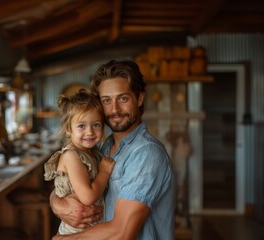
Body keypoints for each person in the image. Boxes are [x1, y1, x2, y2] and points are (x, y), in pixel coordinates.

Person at [50, 60, 175, 240]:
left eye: (123, 98)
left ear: (139, 99)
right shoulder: (102, 147)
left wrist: (63, 239)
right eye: (107, 100)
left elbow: (122, 232)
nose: (115, 109)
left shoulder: (146, 154)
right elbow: (72, 184)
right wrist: (57, 202)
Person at [44, 89, 115, 235]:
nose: (89, 132)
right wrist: (105, 172)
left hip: (91, 226)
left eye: (96, 125)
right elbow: (87, 197)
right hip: (76, 231)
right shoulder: (72, 156)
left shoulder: (92, 152)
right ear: (68, 129)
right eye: (81, 126)